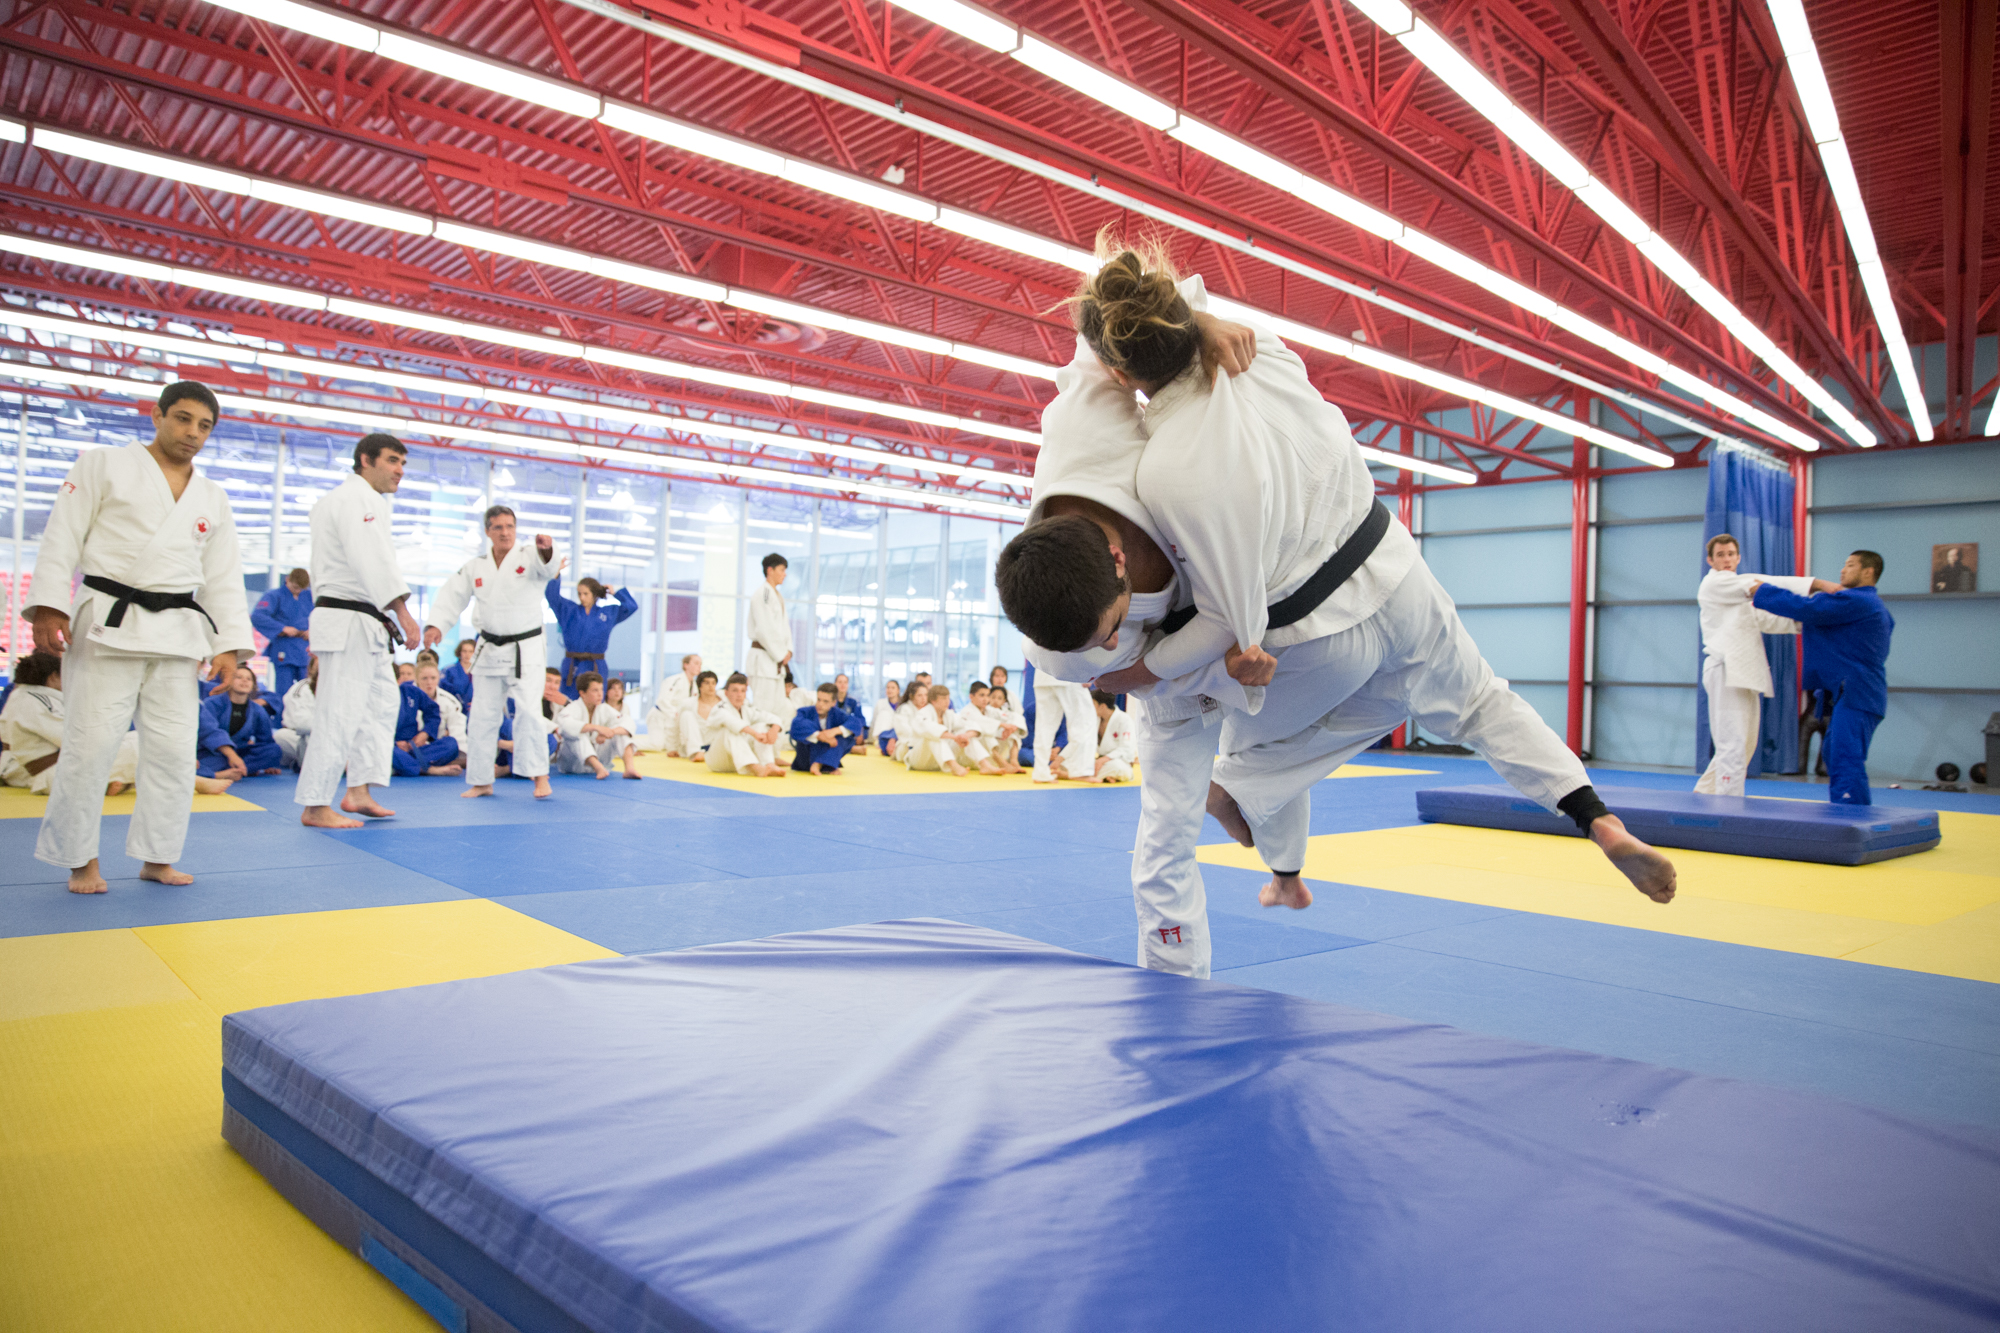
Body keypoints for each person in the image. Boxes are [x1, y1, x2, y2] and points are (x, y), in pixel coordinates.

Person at [26, 380, 255, 893]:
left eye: (204, 426)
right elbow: (63, 532)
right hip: (110, 621)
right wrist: (48, 605)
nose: (192, 433)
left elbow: (222, 575)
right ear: (157, 415)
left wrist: (229, 645)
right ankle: (80, 859)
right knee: (90, 747)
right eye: (182, 418)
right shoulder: (103, 464)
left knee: (175, 752)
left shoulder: (211, 497)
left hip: (178, 635)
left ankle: (158, 855)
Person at [293, 433, 421, 828]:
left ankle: (359, 790)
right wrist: (403, 610)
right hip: (347, 619)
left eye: (403, 463)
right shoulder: (357, 499)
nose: (400, 470)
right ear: (366, 460)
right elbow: (372, 559)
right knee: (339, 713)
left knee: (381, 704)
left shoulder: (355, 500)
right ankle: (315, 805)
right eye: (392, 461)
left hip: (364, 621)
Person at [423, 506, 558, 799]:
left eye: (510, 526)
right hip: (489, 646)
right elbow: (451, 595)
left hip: (526, 647)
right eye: (498, 527)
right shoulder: (476, 566)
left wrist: (547, 551)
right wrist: (436, 625)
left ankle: (540, 777)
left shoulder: (530, 555)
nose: (505, 532)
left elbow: (549, 568)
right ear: (488, 532)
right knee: (482, 715)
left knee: (530, 713)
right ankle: (482, 780)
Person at [1753, 551, 1894, 804]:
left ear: (1868, 572)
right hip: (1856, 693)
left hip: (1858, 693)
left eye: (1850, 565)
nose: (1842, 570)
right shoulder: (1872, 607)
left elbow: (1809, 608)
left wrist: (1764, 592)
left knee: (1844, 755)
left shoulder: (1857, 601)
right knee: (1834, 752)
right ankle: (1850, 811)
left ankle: (1852, 816)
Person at [1694, 533, 1815, 797]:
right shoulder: (1715, 584)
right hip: (1725, 668)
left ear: (1738, 557)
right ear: (1711, 561)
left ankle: (1704, 797)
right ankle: (1728, 808)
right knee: (1733, 744)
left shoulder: (1742, 596)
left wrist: (1811, 619)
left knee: (1745, 745)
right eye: (1720, 555)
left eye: (1730, 554)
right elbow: (1759, 584)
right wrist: (1815, 586)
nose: (1726, 559)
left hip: (1744, 673)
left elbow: (1770, 620)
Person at [0, 651, 140, 796]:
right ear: (53, 677)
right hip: (55, 773)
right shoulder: (35, 701)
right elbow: (76, 740)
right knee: (141, 745)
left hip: (54, 769)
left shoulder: (24, 697)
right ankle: (113, 781)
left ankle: (113, 782)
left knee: (136, 740)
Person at [546, 576, 638, 697]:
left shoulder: (607, 613)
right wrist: (556, 575)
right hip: (573, 664)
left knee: (596, 700)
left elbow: (631, 607)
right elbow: (552, 597)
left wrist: (616, 593)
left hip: (596, 664)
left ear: (594, 594)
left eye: (586, 593)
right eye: (579, 594)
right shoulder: (569, 611)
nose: (582, 597)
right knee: (568, 701)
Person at [198, 664, 286, 780]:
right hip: (212, 752)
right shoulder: (211, 704)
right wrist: (232, 756)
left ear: (253, 685)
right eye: (238, 677)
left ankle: (236, 770)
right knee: (196, 764)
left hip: (240, 751)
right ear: (228, 681)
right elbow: (208, 733)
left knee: (273, 751)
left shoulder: (257, 710)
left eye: (249, 679)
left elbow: (266, 741)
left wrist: (270, 763)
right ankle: (233, 771)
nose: (244, 681)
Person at [555, 671, 639, 778]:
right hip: (573, 765)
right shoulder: (573, 708)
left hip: (601, 760)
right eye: (595, 690)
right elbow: (565, 726)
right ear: (582, 693)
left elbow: (628, 722)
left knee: (621, 732)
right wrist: (597, 728)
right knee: (576, 733)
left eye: (601, 689)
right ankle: (598, 768)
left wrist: (610, 732)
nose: (600, 694)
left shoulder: (604, 708)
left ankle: (629, 769)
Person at [704, 672, 785, 776]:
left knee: (762, 726)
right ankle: (755, 768)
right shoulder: (720, 708)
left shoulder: (746, 709)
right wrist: (755, 734)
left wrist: (774, 729)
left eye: (743, 691)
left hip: (737, 762)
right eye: (735, 690)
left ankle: (769, 764)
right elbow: (733, 722)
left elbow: (771, 717)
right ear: (726, 693)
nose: (739, 694)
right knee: (730, 730)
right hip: (717, 760)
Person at [251, 568, 314, 698]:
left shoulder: (310, 596)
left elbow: (322, 618)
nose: (298, 591)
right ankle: (282, 718)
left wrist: (313, 631)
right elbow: (258, 616)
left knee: (309, 690)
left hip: (305, 650)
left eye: (301, 589)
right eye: (295, 587)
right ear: (287, 580)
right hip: (285, 648)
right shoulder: (274, 595)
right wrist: (281, 628)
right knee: (284, 694)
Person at [391, 669, 464, 777]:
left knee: (450, 744)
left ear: (399, 680)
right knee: (388, 751)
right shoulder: (373, 698)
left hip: (413, 747)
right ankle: (429, 769)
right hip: (391, 746)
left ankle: (405, 766)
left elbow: (433, 711)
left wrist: (425, 733)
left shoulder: (411, 691)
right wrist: (394, 742)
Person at [747, 553, 793, 714]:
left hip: (775, 662)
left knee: (778, 710)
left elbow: (783, 628)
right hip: (764, 659)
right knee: (763, 709)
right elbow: (764, 629)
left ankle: (775, 740)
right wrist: (781, 654)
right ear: (770, 570)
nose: (784, 574)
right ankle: (760, 739)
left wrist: (788, 651)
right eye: (781, 569)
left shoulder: (777, 595)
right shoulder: (763, 594)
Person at [1033, 670, 1097, 783]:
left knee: (1045, 725)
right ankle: (1081, 771)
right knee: (1084, 721)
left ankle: (1041, 772)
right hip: (1069, 673)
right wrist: (1087, 674)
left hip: (1042, 674)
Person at [790, 682, 855, 774]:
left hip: (826, 755)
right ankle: (828, 765)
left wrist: (835, 731)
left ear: (833, 703)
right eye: (819, 700)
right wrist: (819, 735)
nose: (820, 704)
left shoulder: (837, 714)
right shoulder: (804, 711)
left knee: (847, 738)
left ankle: (820, 764)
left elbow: (855, 722)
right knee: (808, 727)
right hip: (806, 761)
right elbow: (796, 726)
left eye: (825, 701)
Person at [644, 653, 701, 752]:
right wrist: (676, 714)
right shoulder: (674, 680)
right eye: (696, 663)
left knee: (671, 748)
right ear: (685, 665)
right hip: (660, 716)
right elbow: (662, 701)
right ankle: (626, 744)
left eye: (700, 664)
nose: (699, 667)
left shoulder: (695, 686)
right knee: (656, 745)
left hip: (674, 720)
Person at [901, 684, 962, 774]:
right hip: (919, 760)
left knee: (965, 734)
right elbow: (930, 730)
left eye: (948, 698)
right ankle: (954, 765)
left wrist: (964, 736)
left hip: (935, 762)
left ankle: (983, 763)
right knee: (933, 736)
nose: (947, 702)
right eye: (943, 699)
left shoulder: (949, 714)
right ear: (933, 700)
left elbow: (967, 724)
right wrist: (954, 737)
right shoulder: (922, 713)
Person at [276, 656, 318, 771]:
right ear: (311, 668)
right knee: (280, 736)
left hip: (334, 738)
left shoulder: (341, 689)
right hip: (302, 737)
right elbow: (301, 724)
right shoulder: (302, 688)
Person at [1091, 690, 1138, 782]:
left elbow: (1127, 748)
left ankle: (1075, 775)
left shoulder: (1124, 720)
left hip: (1117, 761)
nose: (1091, 707)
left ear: (1103, 706)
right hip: (1098, 760)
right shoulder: (1094, 720)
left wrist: (1105, 759)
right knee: (1069, 762)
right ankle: (1105, 777)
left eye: (1094, 704)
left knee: (1120, 769)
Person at [679, 670, 721, 762]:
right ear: (700, 686)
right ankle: (697, 752)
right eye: (707, 683)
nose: (711, 686)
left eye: (713, 683)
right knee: (686, 715)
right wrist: (672, 748)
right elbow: (677, 726)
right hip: (695, 741)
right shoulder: (688, 703)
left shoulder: (723, 704)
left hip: (715, 743)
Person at [604, 677, 642, 776]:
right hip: (604, 741)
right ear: (606, 691)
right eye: (613, 688)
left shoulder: (625, 707)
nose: (617, 692)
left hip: (617, 737)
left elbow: (628, 728)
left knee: (623, 733)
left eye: (619, 689)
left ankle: (629, 768)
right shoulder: (601, 707)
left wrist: (630, 748)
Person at [985, 685, 1026, 769]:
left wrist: (1011, 729)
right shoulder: (985, 710)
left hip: (1002, 744)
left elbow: (1018, 718)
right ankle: (1003, 764)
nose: (996, 700)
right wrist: (1003, 726)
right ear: (988, 698)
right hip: (989, 750)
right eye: (993, 697)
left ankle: (1014, 761)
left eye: (999, 698)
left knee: (1015, 734)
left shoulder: (1007, 712)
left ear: (1004, 701)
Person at [440, 638, 476, 712]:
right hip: (453, 710)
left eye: (471, 651)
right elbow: (443, 692)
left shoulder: (479, 672)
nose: (467, 654)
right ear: (459, 652)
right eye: (464, 651)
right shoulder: (449, 671)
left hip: (474, 711)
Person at [869, 679, 902, 758]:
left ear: (898, 690)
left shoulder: (904, 704)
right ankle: (882, 743)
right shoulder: (880, 703)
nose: (890, 690)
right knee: (884, 714)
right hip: (884, 734)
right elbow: (874, 721)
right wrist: (870, 739)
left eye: (893, 688)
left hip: (898, 734)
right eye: (888, 688)